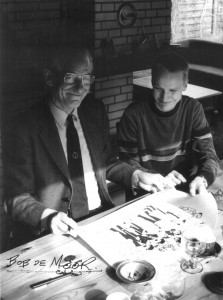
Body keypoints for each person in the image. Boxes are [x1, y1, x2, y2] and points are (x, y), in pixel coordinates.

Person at [2, 45, 173, 248]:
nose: (80, 87)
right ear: (49, 77)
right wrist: (48, 218)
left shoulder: (94, 111)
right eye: (71, 78)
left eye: (86, 79)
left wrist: (137, 176)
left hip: (101, 217)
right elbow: (16, 198)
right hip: (54, 231)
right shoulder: (23, 127)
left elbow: (106, 162)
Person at [118, 52, 219, 197]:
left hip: (185, 189)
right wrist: (159, 180)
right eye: (158, 88)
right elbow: (127, 163)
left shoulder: (193, 109)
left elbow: (209, 155)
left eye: (173, 90)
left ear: (185, 85)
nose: (164, 98)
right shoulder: (133, 115)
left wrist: (202, 179)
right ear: (152, 82)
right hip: (146, 191)